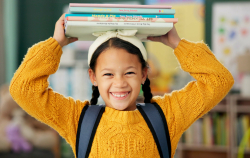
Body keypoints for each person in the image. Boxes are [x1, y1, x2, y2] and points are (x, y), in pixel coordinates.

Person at [9, 13, 234, 158]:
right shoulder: (76, 118)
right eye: (108, 74)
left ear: (144, 74)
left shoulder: (168, 116)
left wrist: (177, 44)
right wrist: (55, 43)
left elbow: (219, 81)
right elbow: (22, 88)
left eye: (129, 72)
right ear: (93, 77)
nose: (119, 83)